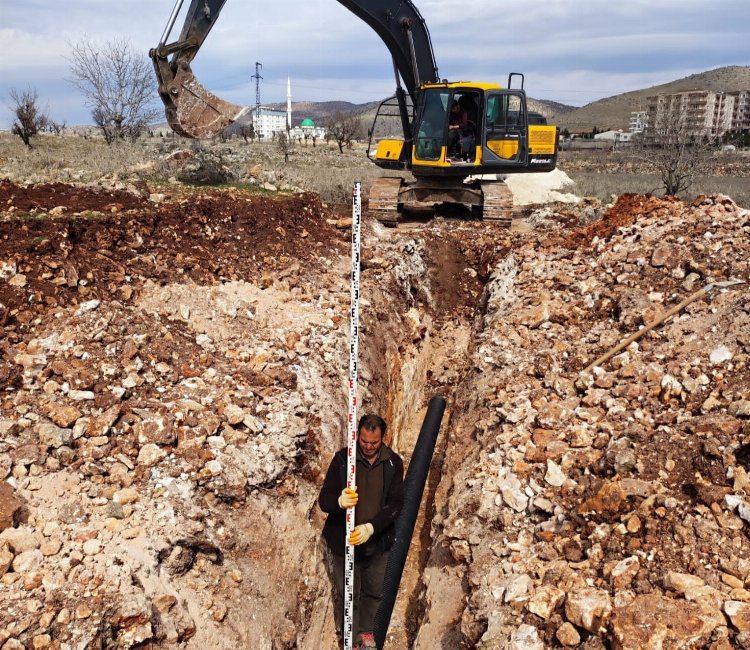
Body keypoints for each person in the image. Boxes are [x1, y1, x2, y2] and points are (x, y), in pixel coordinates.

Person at [319, 414, 404, 650]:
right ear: (358, 435)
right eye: (364, 441)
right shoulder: (343, 460)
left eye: (373, 443)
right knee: (349, 595)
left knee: (374, 590)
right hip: (343, 542)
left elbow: (396, 504)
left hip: (377, 542)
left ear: (382, 439)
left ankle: (366, 631)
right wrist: (339, 500)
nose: (368, 446)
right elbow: (323, 500)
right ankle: (352, 639)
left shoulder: (393, 463)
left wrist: (371, 528)